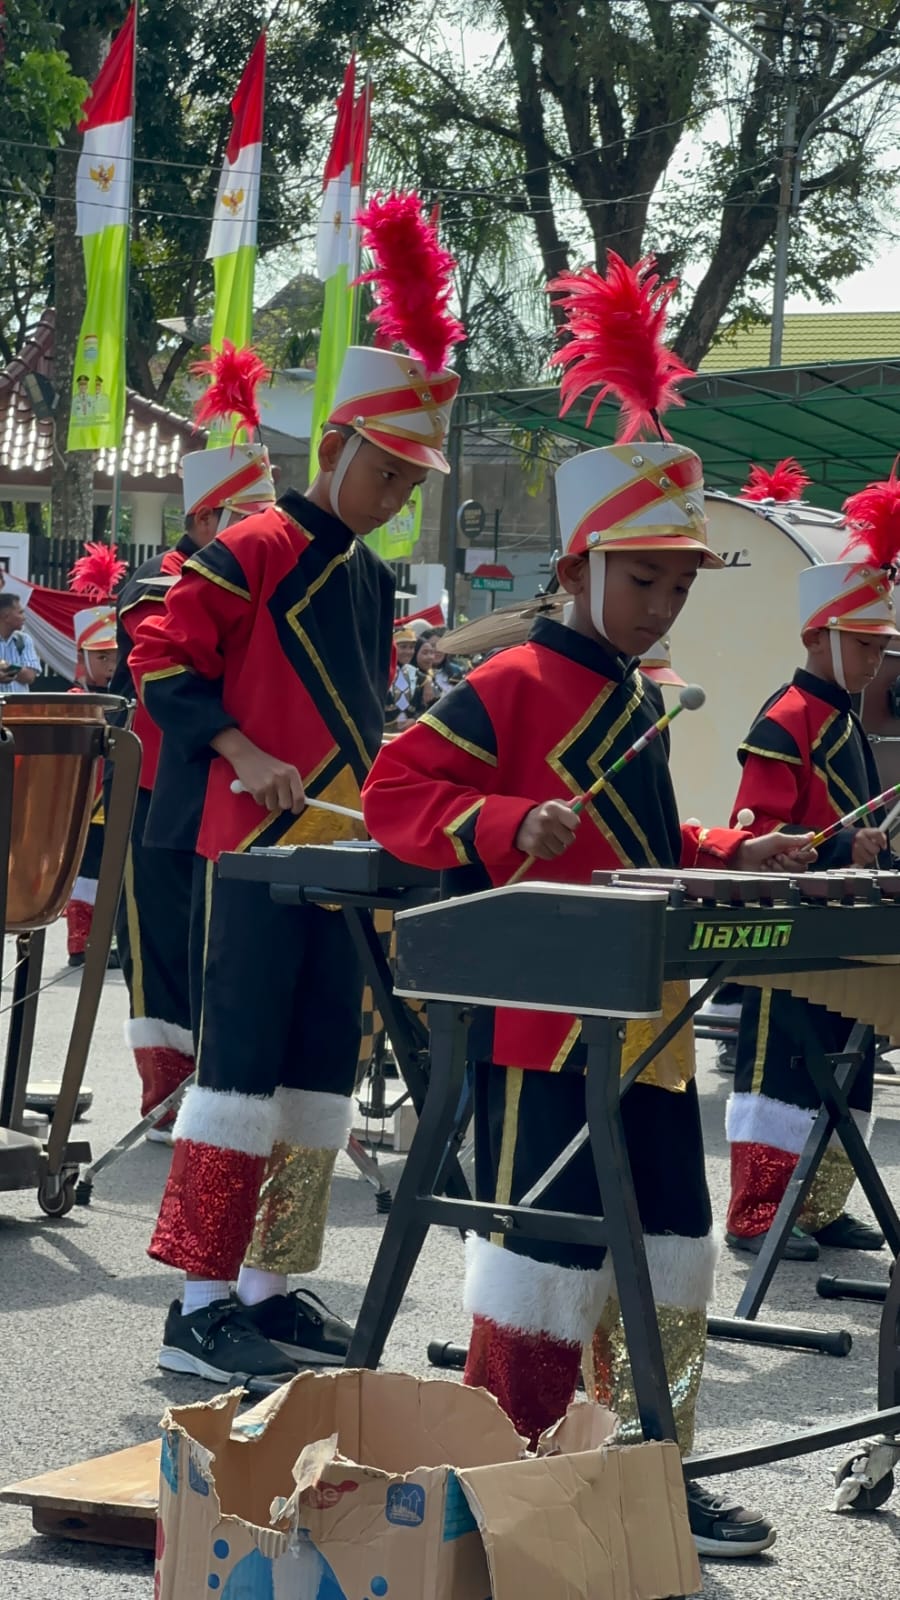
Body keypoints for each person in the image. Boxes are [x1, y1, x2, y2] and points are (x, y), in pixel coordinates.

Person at [361, 254, 817, 1559]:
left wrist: (739, 857)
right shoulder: (508, 685)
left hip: (652, 1018)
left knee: (670, 1245)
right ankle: (511, 1481)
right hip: (539, 1017)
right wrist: (508, 825)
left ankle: (650, 1467)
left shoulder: (635, 699)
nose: (667, 605)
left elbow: (653, 844)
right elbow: (402, 792)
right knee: (544, 1256)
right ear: (579, 567)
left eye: (681, 587)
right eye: (647, 581)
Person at [128, 194, 465, 1389]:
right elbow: (160, 656)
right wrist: (235, 748)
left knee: (318, 1069)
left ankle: (267, 1288)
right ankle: (198, 1301)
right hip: (250, 844)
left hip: (336, 850)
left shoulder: (371, 578)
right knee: (239, 1071)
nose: (395, 491)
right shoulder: (253, 544)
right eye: (386, 469)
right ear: (337, 449)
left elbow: (361, 715)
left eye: (409, 476)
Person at [724, 468, 900, 1260]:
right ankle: (757, 1213)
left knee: (846, 1066)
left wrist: (869, 850)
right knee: (781, 1071)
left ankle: (821, 1205)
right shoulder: (788, 716)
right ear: (821, 637)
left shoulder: (849, 723)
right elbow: (756, 824)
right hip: (787, 923)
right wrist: (837, 845)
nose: (874, 663)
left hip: (839, 921)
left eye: (878, 649)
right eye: (864, 647)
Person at [110, 415, 277, 1138]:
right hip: (157, 792)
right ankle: (168, 1090)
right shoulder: (159, 582)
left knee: (226, 945)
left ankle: (234, 1082)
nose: (258, 535)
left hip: (230, 790)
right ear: (205, 516)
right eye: (245, 520)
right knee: (164, 947)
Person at [64, 543, 127, 966]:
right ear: (83, 660)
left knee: (118, 875)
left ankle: (108, 941)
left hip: (119, 800)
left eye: (114, 656)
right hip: (86, 803)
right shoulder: (74, 699)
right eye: (100, 657)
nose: (108, 665)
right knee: (85, 877)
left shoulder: (127, 699)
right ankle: (79, 945)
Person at [0, 595, 40, 691]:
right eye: (20, 613)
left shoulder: (24, 639)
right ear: (6, 616)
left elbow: (30, 676)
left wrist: (6, 666)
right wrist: (17, 670)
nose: (24, 618)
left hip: (18, 705)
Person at [385, 627, 420, 728]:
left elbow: (424, 707)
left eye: (411, 647)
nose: (408, 651)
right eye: (403, 647)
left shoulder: (419, 676)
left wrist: (415, 719)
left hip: (408, 732)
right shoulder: (380, 672)